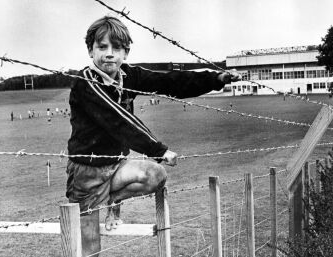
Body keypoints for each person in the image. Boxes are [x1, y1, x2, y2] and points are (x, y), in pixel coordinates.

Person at [66, 16, 240, 232]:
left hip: (117, 164)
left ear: (126, 52)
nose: (110, 53)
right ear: (90, 51)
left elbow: (169, 82)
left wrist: (215, 79)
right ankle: (98, 207)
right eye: (102, 47)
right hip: (88, 172)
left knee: (156, 175)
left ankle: (112, 199)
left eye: (117, 48)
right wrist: (157, 149)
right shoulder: (85, 82)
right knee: (87, 243)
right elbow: (117, 119)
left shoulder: (129, 76)